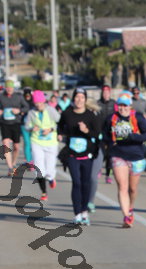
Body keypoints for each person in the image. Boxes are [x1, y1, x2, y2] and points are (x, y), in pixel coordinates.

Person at [104, 91, 146, 228]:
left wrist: (134, 137)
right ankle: (126, 216)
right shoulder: (111, 118)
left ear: (130, 106)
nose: (122, 108)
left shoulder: (138, 117)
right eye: (120, 105)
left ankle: (130, 207)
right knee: (122, 186)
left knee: (132, 189)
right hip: (118, 155)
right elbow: (104, 135)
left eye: (125, 105)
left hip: (136, 156)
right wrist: (111, 142)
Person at [57, 87, 98, 225]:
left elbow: (96, 133)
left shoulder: (90, 115)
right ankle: (77, 213)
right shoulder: (67, 114)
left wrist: (86, 130)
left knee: (86, 183)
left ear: (85, 99)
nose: (79, 100)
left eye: (82, 97)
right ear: (73, 99)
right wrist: (59, 134)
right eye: (77, 97)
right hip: (72, 154)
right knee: (76, 182)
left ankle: (84, 212)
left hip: (87, 155)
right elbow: (60, 126)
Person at [24, 90, 60, 202]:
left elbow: (60, 122)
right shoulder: (31, 113)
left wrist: (51, 129)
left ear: (44, 101)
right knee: (39, 169)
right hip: (37, 142)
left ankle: (51, 178)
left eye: (40, 103)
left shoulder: (51, 110)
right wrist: (31, 128)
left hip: (51, 143)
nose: (38, 105)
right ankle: (44, 192)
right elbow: (26, 126)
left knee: (49, 170)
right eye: (36, 103)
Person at [0, 79, 30, 176]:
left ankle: (13, 163)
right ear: (5, 88)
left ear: (13, 88)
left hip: (16, 123)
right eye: (7, 87)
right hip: (4, 123)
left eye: (11, 87)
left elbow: (26, 107)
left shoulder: (19, 96)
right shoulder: (1, 96)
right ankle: (10, 168)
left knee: (16, 146)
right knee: (6, 144)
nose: (9, 89)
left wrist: (19, 111)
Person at [98, 84, 115, 184]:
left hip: (111, 132)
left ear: (110, 93)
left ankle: (108, 175)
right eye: (104, 92)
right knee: (101, 152)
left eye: (107, 92)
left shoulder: (114, 103)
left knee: (110, 155)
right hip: (100, 131)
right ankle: (99, 168)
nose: (105, 94)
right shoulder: (98, 103)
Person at [21, 87, 35, 169]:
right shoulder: (21, 102)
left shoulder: (34, 103)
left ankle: (32, 160)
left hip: (33, 126)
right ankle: (29, 161)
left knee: (33, 143)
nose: (27, 97)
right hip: (24, 125)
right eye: (26, 96)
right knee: (27, 143)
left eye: (29, 95)